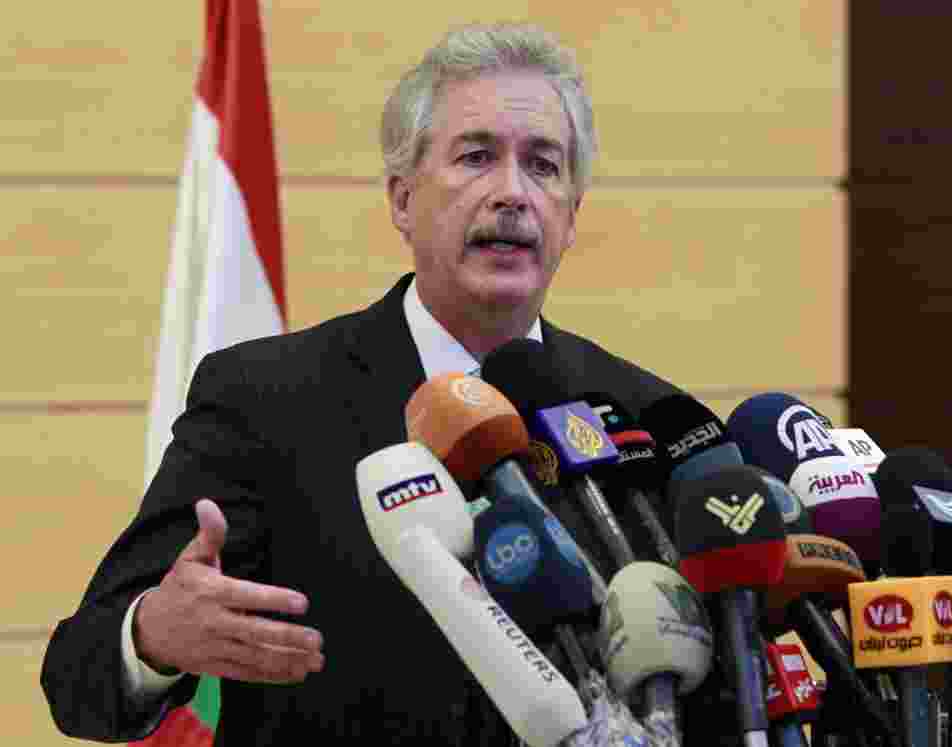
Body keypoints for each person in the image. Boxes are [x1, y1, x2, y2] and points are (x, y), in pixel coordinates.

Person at [41, 23, 688, 745]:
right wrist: (152, 636)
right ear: (402, 199)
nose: (512, 192)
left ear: (571, 215)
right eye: (477, 157)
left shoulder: (640, 416)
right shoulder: (267, 402)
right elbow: (78, 675)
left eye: (543, 166)